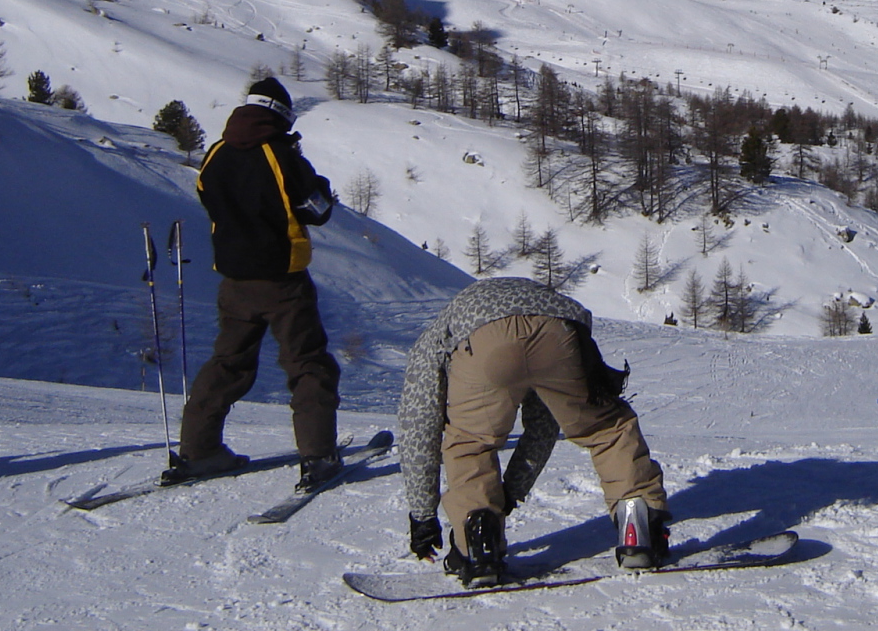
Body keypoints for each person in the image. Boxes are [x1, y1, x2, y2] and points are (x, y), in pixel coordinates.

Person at [397, 276, 670, 587]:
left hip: (482, 340)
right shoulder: (527, 302)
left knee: (470, 443)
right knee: (607, 428)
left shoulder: (434, 338)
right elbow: (543, 424)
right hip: (559, 329)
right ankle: (637, 523)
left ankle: (478, 543)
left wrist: (422, 516)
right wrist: (512, 491)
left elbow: (419, 426)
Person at [164, 77, 342, 489]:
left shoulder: (217, 152)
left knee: (228, 363)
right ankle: (318, 455)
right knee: (307, 363)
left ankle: (199, 450)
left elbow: (207, 195)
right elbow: (317, 210)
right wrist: (318, 184)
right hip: (283, 279)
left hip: (234, 280)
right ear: (281, 115)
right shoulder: (280, 155)